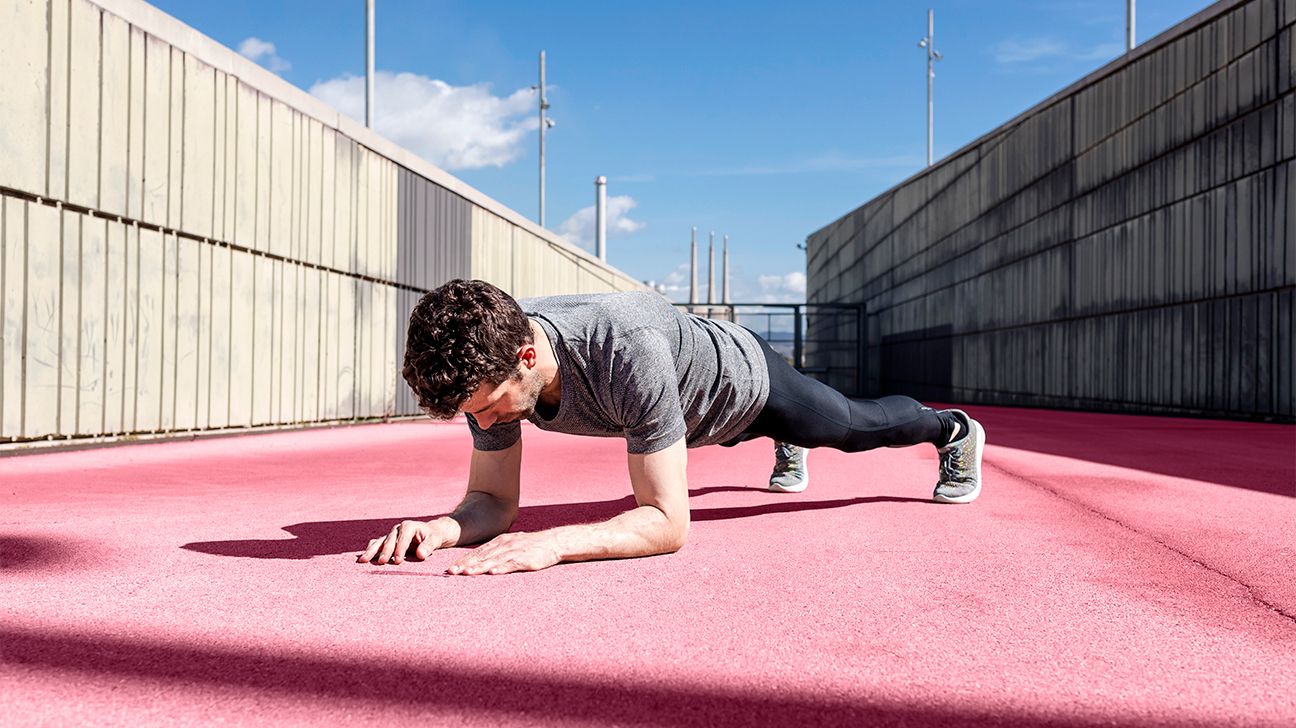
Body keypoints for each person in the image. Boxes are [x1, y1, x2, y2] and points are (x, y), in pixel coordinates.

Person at [359, 279, 985, 575]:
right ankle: (787, 445)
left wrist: (553, 543)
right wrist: (445, 526)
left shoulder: (623, 349)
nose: (485, 423)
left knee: (852, 426)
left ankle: (951, 430)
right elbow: (494, 502)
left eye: (489, 406)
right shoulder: (490, 368)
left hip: (743, 389)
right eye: (473, 414)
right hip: (677, 411)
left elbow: (667, 524)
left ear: (527, 358)